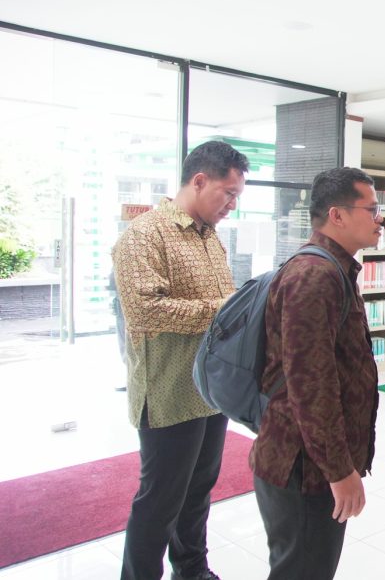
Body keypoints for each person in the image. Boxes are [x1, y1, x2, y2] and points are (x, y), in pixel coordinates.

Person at [112, 141, 248, 580]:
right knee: (160, 500)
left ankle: (192, 570)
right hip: (168, 392)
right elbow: (145, 311)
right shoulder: (144, 235)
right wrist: (225, 310)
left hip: (209, 390)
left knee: (198, 492)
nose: (232, 204)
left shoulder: (211, 237)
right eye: (228, 193)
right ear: (199, 180)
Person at [251, 166, 382, 580]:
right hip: (303, 467)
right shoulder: (314, 276)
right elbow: (311, 387)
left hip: (311, 463)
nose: (380, 219)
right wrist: (339, 471)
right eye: (371, 209)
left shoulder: (334, 269)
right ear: (337, 215)